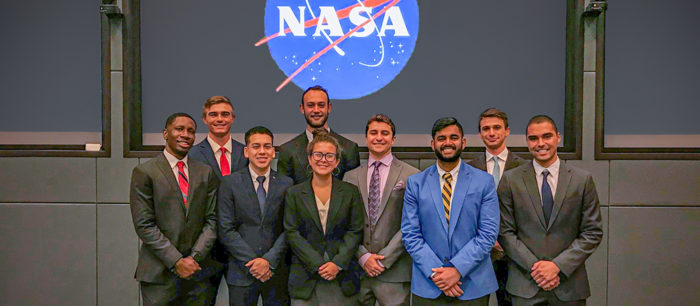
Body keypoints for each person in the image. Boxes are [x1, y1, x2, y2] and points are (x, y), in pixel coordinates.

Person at [498, 115, 602, 305]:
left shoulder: (582, 180)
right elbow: (504, 232)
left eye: (547, 136)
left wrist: (557, 267)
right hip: (525, 287)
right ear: (527, 141)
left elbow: (592, 232)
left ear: (558, 137)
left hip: (569, 286)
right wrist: (537, 270)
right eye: (533, 138)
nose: (541, 143)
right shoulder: (510, 180)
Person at [401, 117, 499, 305]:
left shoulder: (484, 181)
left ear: (463, 142)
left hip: (472, 284)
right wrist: (438, 273)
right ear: (433, 144)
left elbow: (488, 234)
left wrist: (457, 269)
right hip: (429, 284)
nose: (447, 143)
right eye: (441, 138)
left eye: (453, 137)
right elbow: (410, 234)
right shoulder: (416, 183)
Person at [130, 112, 219, 305]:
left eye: (191, 131)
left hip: (198, 273)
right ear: (165, 133)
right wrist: (177, 261)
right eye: (179, 129)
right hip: (159, 275)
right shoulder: (145, 172)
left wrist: (193, 259)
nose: (186, 134)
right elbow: (144, 225)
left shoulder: (205, 172)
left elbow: (213, 220)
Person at [343, 114, 419, 306]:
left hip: (395, 272)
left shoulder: (412, 175)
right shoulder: (350, 177)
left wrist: (384, 260)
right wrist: (363, 257)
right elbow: (344, 223)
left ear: (393, 139)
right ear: (366, 138)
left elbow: (412, 223)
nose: (379, 137)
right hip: (358, 272)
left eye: (385, 133)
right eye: (373, 133)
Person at [284, 130, 364, 305]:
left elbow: (355, 230)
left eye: (329, 156)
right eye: (318, 154)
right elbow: (292, 232)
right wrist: (317, 264)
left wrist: (337, 263)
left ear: (336, 162)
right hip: (306, 276)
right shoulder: (294, 193)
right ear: (310, 158)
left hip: (342, 276)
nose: (323, 160)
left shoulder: (350, 192)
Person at [217, 126, 293, 305]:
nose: (262, 151)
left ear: (273, 152)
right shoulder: (230, 183)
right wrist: (253, 263)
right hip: (241, 272)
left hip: (275, 271)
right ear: (246, 151)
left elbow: (290, 227)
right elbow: (226, 229)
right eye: (256, 146)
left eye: (267, 147)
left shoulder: (286, 184)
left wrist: (268, 261)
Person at [188, 95, 248, 303]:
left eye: (225, 114)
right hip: (206, 247)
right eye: (213, 114)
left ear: (233, 118)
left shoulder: (247, 152)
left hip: (241, 245)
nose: (219, 119)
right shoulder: (192, 155)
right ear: (204, 119)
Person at [467, 108, 527, 306]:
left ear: (507, 131)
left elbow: (528, 211)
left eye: (497, 128)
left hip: (514, 255)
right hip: (479, 253)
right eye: (486, 128)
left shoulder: (525, 168)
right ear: (480, 133)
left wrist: (508, 242)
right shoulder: (468, 168)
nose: (491, 133)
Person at [277, 85, 360, 184]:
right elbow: (284, 194)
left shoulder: (349, 149)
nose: (316, 110)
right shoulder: (287, 151)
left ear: (329, 108)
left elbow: (352, 193)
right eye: (310, 105)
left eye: (321, 105)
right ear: (302, 108)